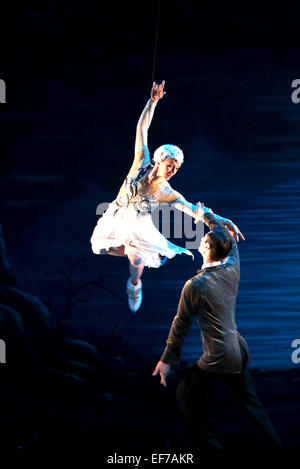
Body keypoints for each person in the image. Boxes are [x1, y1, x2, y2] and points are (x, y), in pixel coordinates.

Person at [90, 81, 242, 313]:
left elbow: (193, 210)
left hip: (139, 226)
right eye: (170, 165)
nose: (172, 170)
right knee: (98, 247)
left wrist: (223, 221)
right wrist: (152, 101)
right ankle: (134, 249)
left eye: (177, 168)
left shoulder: (167, 192)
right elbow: (142, 129)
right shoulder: (141, 162)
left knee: (137, 260)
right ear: (159, 161)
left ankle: (134, 284)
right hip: (117, 214)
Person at [153, 205, 283, 449]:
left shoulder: (195, 285)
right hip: (239, 348)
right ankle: (276, 446)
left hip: (219, 354)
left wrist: (167, 359)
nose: (200, 240)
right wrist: (218, 220)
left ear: (208, 247)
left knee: (185, 393)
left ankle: (212, 447)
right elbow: (224, 235)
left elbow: (180, 324)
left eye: (203, 239)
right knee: (249, 401)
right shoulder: (232, 266)